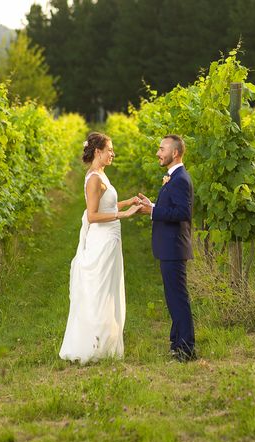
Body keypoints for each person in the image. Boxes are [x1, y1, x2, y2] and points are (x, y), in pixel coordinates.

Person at [59, 132, 141, 364]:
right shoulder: (94, 178)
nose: (113, 154)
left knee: (109, 291)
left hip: (111, 239)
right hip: (102, 240)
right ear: (98, 152)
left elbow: (108, 203)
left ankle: (105, 343)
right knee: (99, 292)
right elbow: (93, 215)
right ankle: (93, 346)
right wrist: (122, 214)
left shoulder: (101, 174)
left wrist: (129, 202)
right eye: (110, 150)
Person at [138, 134, 196, 362]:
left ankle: (186, 349)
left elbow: (183, 213)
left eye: (162, 149)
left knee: (178, 298)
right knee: (173, 298)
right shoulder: (174, 177)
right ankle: (177, 343)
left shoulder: (181, 178)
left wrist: (151, 212)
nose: (158, 153)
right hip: (169, 248)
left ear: (175, 153)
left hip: (174, 248)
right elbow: (171, 208)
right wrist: (151, 205)